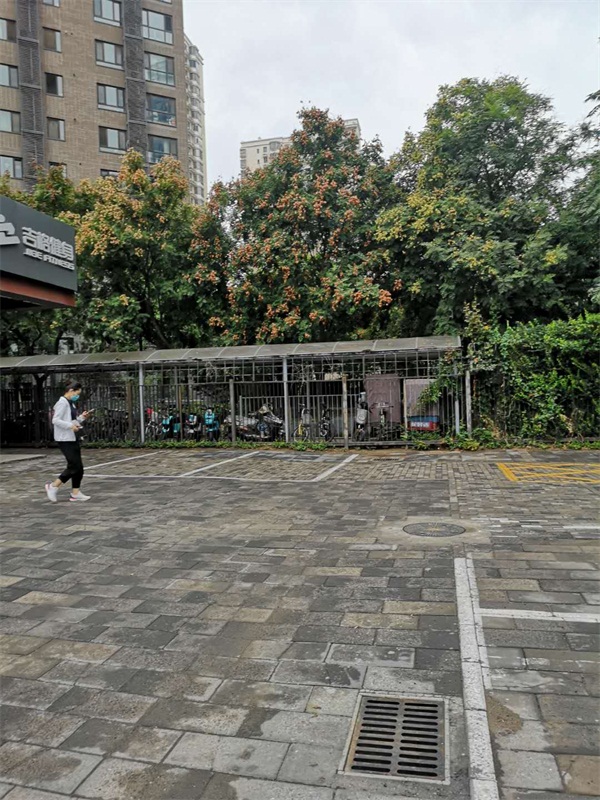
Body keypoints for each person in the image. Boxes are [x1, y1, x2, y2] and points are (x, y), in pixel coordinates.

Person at [45, 381, 93, 503]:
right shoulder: (62, 403)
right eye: (77, 393)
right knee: (74, 466)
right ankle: (53, 486)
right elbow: (56, 420)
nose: (78, 396)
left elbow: (72, 420)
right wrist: (70, 426)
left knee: (79, 467)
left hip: (72, 437)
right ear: (71, 391)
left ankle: (75, 493)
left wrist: (82, 418)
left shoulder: (70, 403)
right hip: (64, 439)